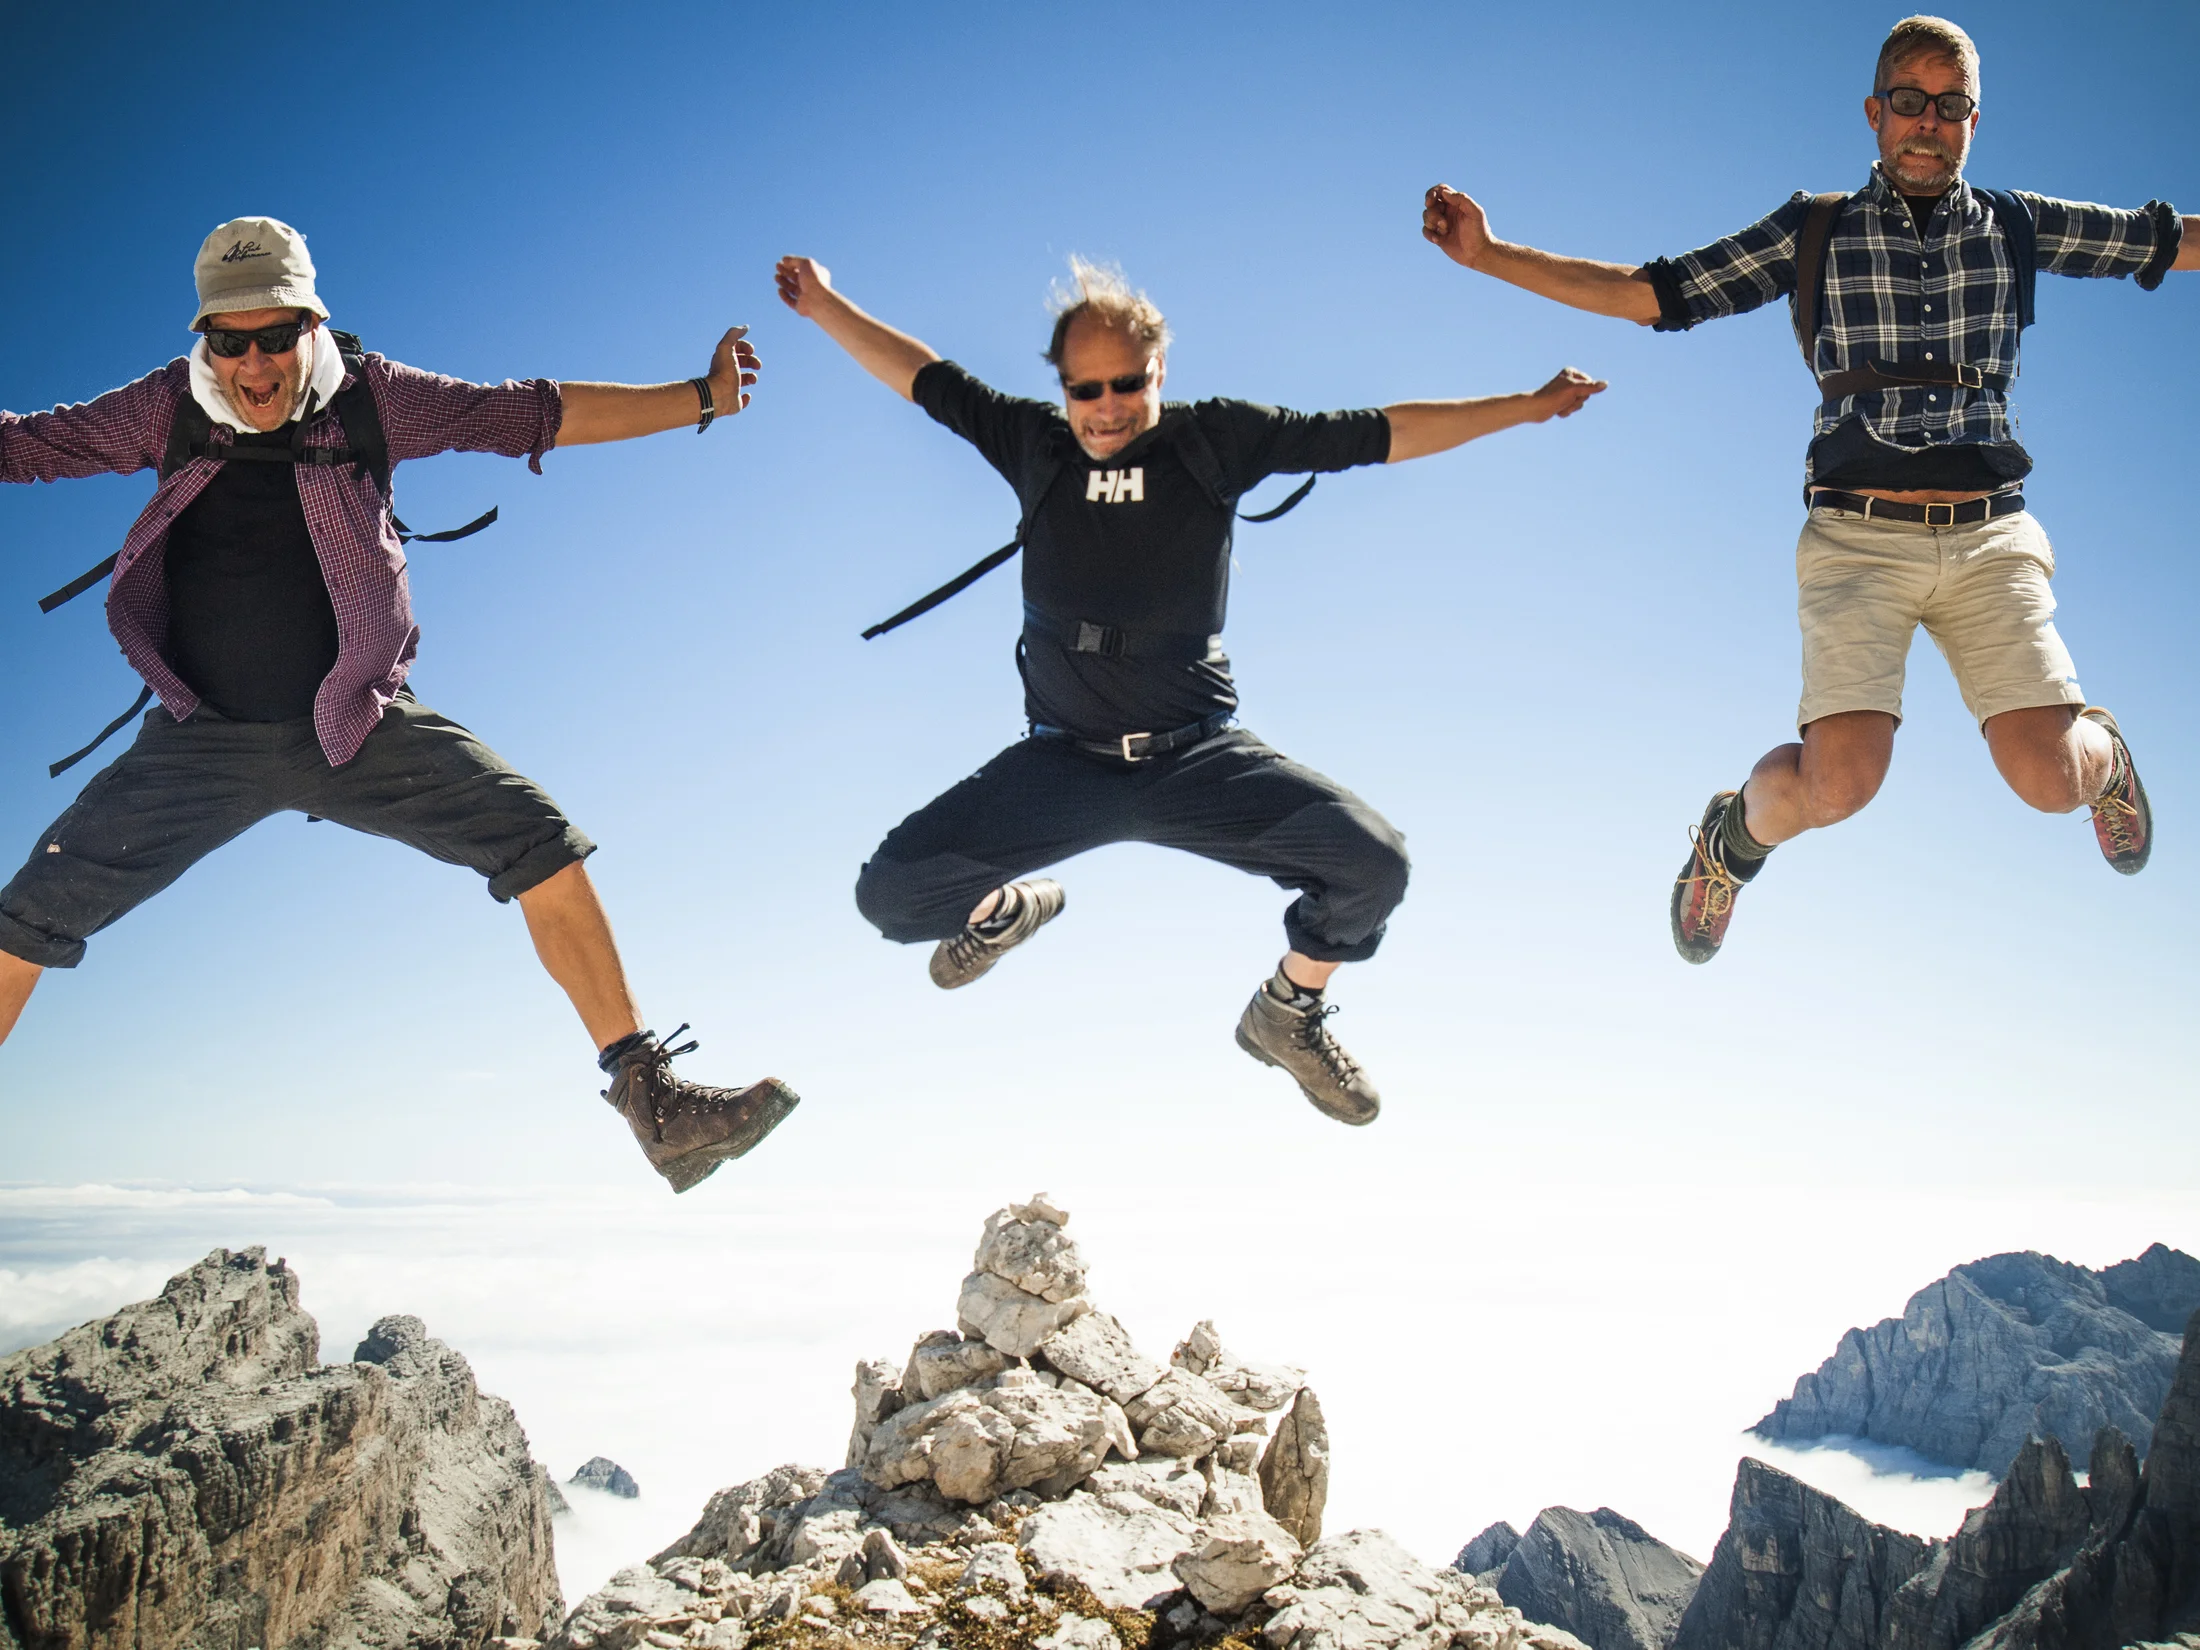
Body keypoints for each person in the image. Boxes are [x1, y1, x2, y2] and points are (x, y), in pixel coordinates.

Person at [0, 216, 797, 1192]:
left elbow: (525, 416)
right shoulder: (167, 407)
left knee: (539, 841)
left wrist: (702, 398)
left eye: (275, 336)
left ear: (311, 326)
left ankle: (657, 1107)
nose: (253, 364)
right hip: (201, 742)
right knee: (27, 915)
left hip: (357, 724)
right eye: (229, 341)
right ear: (204, 337)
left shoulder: (372, 399)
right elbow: (26, 446)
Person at [1422, 14, 2196, 964]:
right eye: (1909, 101)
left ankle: (2105, 760)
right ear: (1875, 113)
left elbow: (2164, 241)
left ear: (1973, 121)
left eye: (1949, 106)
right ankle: (1729, 842)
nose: (1927, 121)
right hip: (1857, 540)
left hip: (1991, 538)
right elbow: (1649, 293)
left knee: (2050, 781)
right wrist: (1490, 254)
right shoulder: (1815, 230)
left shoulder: (2015, 225)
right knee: (1840, 786)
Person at [775, 252, 1603, 1122]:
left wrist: (1526, 405)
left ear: (1158, 370)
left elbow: (1379, 432)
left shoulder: (1217, 440)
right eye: (1085, 389)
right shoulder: (1031, 442)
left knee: (1373, 865)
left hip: (1198, 760)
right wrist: (825, 304)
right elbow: (923, 377)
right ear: (1061, 385)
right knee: (891, 896)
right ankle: (1004, 912)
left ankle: (1287, 1011)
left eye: (1126, 384)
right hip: (1062, 767)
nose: (1106, 408)